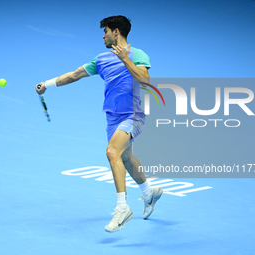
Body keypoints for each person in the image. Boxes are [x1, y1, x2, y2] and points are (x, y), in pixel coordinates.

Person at [35, 15, 162, 233]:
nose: (103, 36)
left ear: (116, 32)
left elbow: (145, 80)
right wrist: (47, 84)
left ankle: (122, 208)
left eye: (105, 31)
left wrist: (125, 59)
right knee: (125, 158)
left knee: (112, 151)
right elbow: (75, 75)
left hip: (135, 115)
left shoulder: (137, 54)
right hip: (112, 116)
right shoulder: (101, 59)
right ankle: (149, 192)